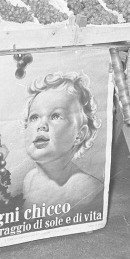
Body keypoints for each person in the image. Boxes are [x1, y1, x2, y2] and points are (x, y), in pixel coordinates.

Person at [20, 72, 104, 215]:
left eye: (55, 116)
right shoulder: (30, 179)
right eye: (34, 117)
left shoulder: (85, 188)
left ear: (79, 135)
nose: (42, 125)